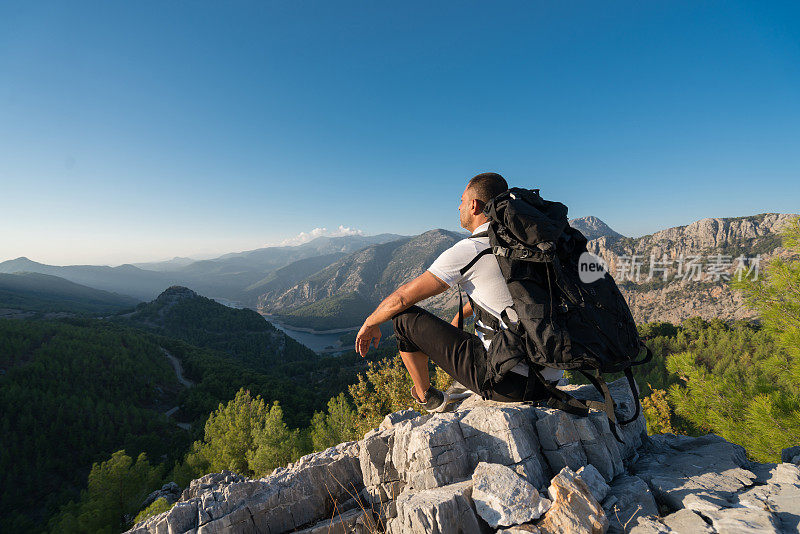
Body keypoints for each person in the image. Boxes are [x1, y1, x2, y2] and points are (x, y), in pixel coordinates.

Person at [354, 172, 563, 412]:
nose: (459, 206)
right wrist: (460, 315)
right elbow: (515, 298)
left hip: (508, 383)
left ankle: (426, 397)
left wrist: (370, 322)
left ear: (474, 205)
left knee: (402, 317)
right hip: (551, 377)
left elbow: (402, 298)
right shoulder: (524, 246)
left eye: (462, 200)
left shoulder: (472, 249)